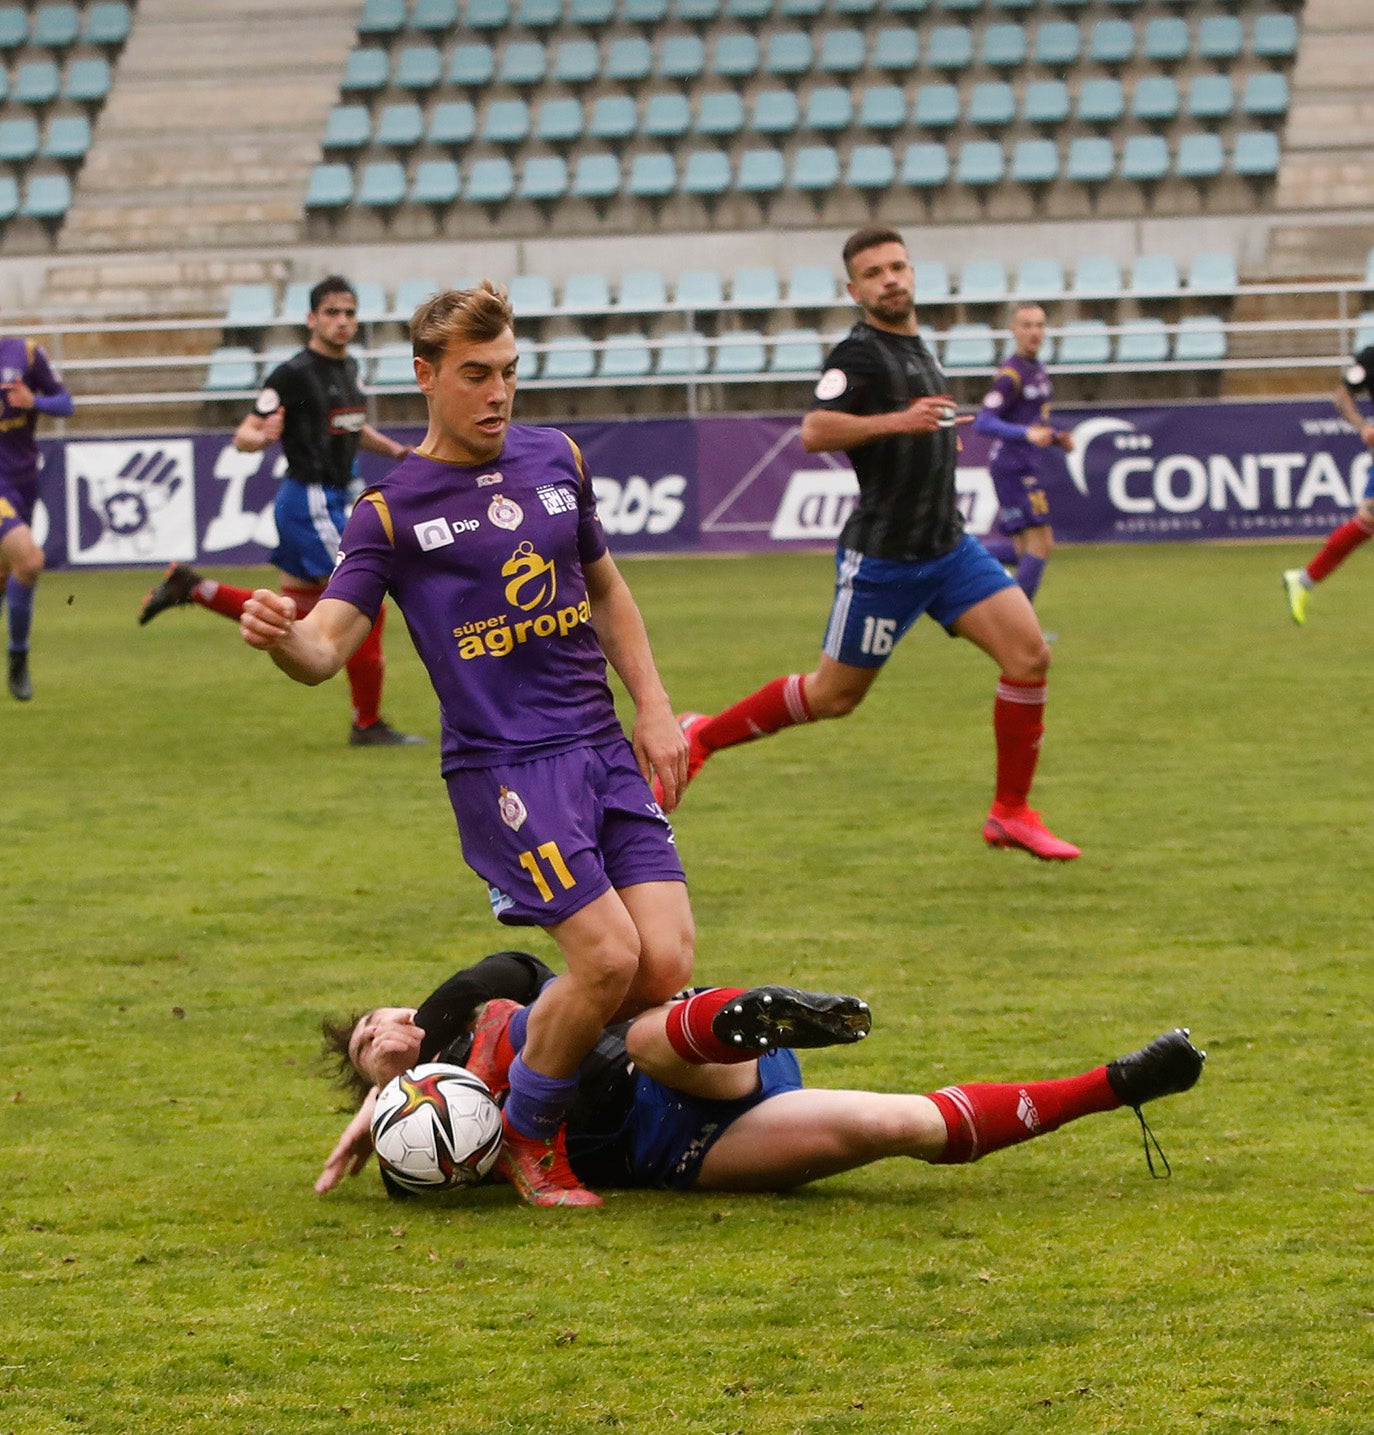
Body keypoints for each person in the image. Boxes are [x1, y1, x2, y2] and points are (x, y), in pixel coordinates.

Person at [241, 283, 696, 1208]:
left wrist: (653, 706)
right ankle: (531, 1141)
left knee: (663, 966)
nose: (499, 394)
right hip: (505, 772)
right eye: (476, 375)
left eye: (511, 373)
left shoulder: (555, 456)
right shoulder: (392, 510)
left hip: (601, 744)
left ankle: (497, 1044)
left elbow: (606, 589)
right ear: (427, 378)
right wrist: (288, 640)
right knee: (606, 960)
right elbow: (328, 643)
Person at [666, 226, 1080, 861]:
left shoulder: (916, 347)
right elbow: (815, 429)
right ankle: (701, 736)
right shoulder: (857, 355)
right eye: (876, 272)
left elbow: (915, 426)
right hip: (887, 560)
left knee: (1029, 657)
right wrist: (902, 422)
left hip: (948, 549)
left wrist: (939, 435)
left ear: (912, 273)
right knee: (834, 696)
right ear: (854, 289)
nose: (891, 279)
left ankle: (1011, 812)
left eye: (898, 267)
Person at [316, 949, 1205, 1199]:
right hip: (684, 1151)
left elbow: (505, 968)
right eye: (369, 1042)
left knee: (654, 1037)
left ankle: (735, 1015)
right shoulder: (423, 1142)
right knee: (892, 1129)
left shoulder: (497, 1016)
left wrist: (430, 1047)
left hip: (687, 1064)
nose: (390, 1028)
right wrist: (391, 1111)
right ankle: (1116, 1084)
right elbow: (432, 1168)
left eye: (386, 1012)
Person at [138, 276, 422, 746]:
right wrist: (260, 436)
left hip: (330, 499)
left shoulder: (349, 368)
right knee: (365, 597)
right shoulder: (291, 373)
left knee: (303, 608)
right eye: (332, 312)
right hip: (310, 500)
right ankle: (367, 724)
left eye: (350, 313)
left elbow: (352, 427)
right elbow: (244, 433)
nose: (343, 321)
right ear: (312, 319)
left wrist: (396, 452)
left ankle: (194, 587)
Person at [972, 303, 1074, 606]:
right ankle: (1021, 623)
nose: (1035, 332)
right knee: (1041, 545)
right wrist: (1025, 434)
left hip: (1024, 464)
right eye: (1027, 325)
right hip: (1011, 466)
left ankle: (957, 555)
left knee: (1024, 550)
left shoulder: (1037, 370)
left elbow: (1032, 422)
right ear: (1014, 330)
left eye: (1040, 325)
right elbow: (984, 421)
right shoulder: (1011, 374)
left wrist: (1055, 438)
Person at [0, 334, 75, 701]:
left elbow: (66, 404)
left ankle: (15, 656)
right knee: (30, 560)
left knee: (7, 574)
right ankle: (18, 657)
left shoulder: (25, 352)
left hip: (23, 481)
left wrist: (34, 401)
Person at [1282, 344, 1374, 624]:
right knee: (1367, 520)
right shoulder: (1369, 359)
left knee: (1367, 521)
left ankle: (1304, 579)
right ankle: (1304, 579)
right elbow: (1343, 396)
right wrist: (1363, 426)